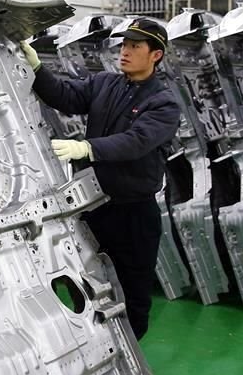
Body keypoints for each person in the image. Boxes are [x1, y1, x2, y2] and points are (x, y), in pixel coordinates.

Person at [21, 18, 181, 340]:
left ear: (156, 55)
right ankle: (94, 347)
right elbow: (65, 96)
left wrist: (87, 148)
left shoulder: (164, 103)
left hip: (133, 214)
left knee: (132, 293)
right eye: (124, 45)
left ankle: (130, 355)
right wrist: (36, 67)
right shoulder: (104, 83)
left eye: (135, 46)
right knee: (85, 283)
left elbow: (136, 141)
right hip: (92, 207)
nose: (125, 51)